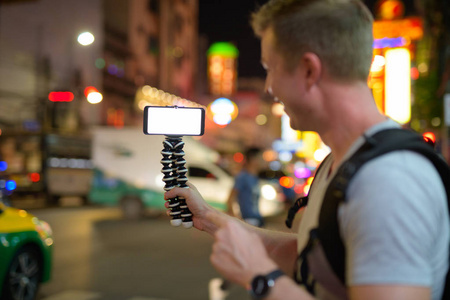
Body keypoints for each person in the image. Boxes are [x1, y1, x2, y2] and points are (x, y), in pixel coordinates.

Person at [165, 0, 449, 299]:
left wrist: (262, 277)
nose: (269, 88)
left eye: (270, 69)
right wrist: (211, 219)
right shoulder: (342, 161)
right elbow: (310, 257)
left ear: (309, 70)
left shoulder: (388, 180)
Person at [226, 147, 265, 227]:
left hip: (257, 220)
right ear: (253, 159)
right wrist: (237, 220)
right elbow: (230, 199)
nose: (263, 161)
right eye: (261, 158)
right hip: (248, 220)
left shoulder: (255, 178)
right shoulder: (242, 177)